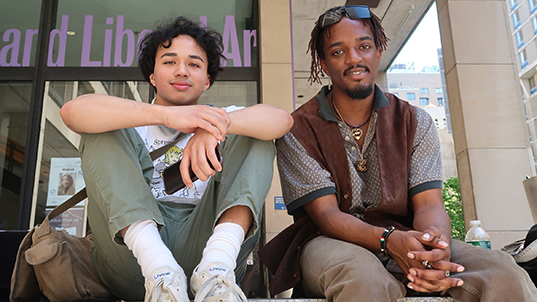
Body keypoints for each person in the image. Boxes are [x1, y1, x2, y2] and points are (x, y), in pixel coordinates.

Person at [258, 5, 537, 302]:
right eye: (338, 52)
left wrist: (434, 245)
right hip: (328, 242)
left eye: (364, 46)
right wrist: (389, 241)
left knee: (503, 272)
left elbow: (429, 204)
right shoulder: (298, 128)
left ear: (378, 52)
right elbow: (326, 214)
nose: (354, 58)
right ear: (324, 64)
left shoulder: (415, 121)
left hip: (408, 235)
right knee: (362, 277)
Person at [60, 16, 293, 302]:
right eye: (169, 62)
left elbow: (281, 119)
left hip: (207, 246)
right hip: (133, 257)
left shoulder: (224, 116)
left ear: (207, 79)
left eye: (194, 64)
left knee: (255, 132)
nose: (182, 71)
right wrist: (167, 115)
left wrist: (216, 126)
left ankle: (216, 268)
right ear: (152, 76)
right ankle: (161, 271)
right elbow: (72, 111)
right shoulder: (133, 119)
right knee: (100, 127)